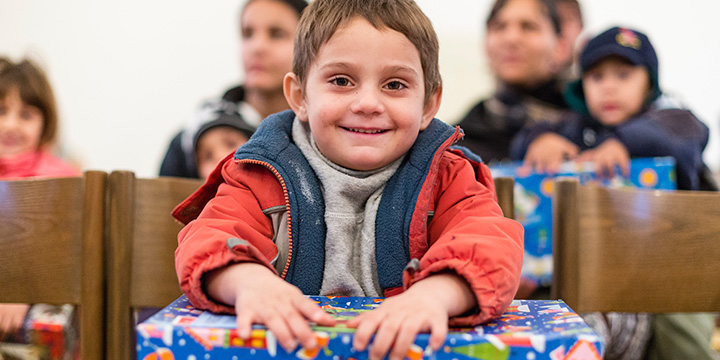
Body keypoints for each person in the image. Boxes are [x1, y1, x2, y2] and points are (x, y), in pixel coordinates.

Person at [172, 0, 525, 359]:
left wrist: (436, 294)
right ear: (299, 96)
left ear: (429, 105)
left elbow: (489, 243)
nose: (368, 103)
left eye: (395, 84)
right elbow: (209, 238)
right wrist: (247, 282)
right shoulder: (258, 172)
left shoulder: (448, 176)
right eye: (341, 81)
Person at [511, 26, 717, 360]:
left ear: (648, 82)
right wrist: (538, 142)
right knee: (550, 309)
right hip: (577, 274)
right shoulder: (570, 126)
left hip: (664, 274)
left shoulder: (670, 118)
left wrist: (623, 142)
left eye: (623, 75)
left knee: (685, 337)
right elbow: (525, 137)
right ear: (582, 86)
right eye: (596, 77)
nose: (608, 86)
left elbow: (688, 131)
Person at [159, 0, 308, 178]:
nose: (257, 47)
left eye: (276, 34)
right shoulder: (190, 144)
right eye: (247, 34)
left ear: (307, 47)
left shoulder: (322, 136)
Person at [0, 56, 79, 340]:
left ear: (45, 122)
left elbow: (66, 255)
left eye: (26, 115)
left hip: (44, 299)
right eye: (1, 111)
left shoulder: (59, 178)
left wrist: (20, 293)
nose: (11, 124)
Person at [456, 0, 575, 164]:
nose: (511, 38)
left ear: (561, 47)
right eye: (499, 27)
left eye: (528, 26)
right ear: (486, 45)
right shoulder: (459, 142)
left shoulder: (596, 128)